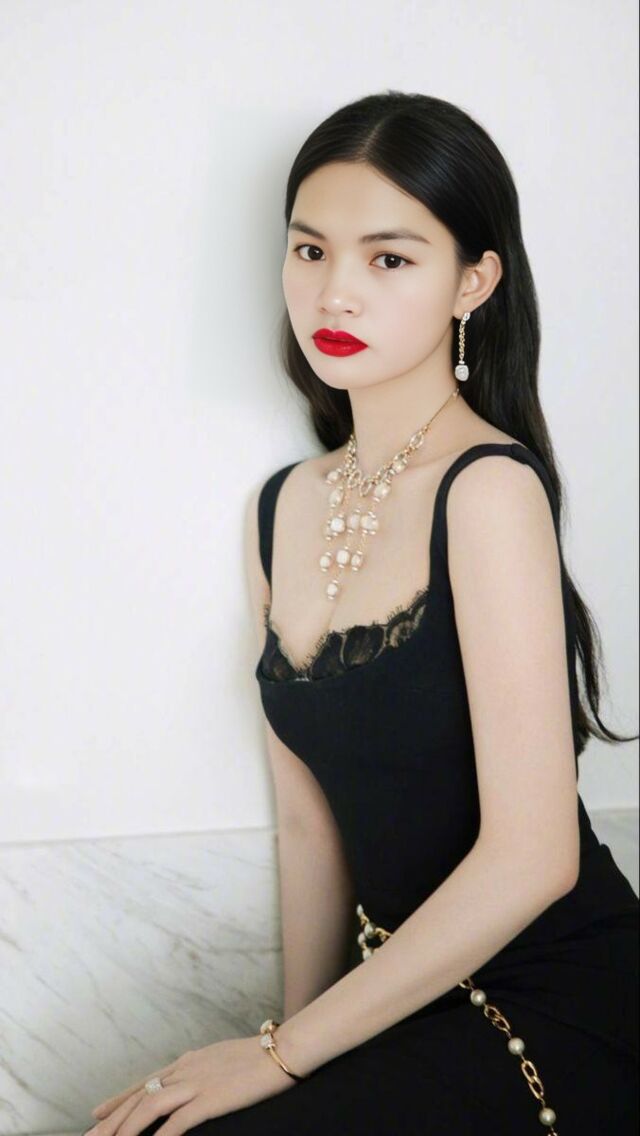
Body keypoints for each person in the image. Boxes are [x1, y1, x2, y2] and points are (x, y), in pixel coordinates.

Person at [81, 91, 639, 1136]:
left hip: (553, 1006)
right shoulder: (281, 507)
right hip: (390, 1008)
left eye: (389, 258)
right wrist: (287, 1055)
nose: (334, 291)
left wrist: (279, 1057)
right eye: (310, 249)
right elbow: (310, 827)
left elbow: (535, 856)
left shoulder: (487, 488)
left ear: (473, 282)